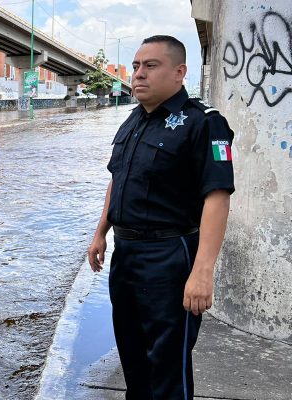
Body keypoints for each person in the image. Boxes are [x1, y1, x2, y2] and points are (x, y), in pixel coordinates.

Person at [86, 35, 235, 399]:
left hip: (171, 256)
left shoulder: (204, 124)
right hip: (127, 256)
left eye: (150, 66)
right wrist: (100, 233)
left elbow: (217, 196)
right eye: (136, 66)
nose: (138, 74)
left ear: (180, 72)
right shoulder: (133, 121)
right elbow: (117, 180)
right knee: (133, 360)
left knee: (167, 366)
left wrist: (202, 272)